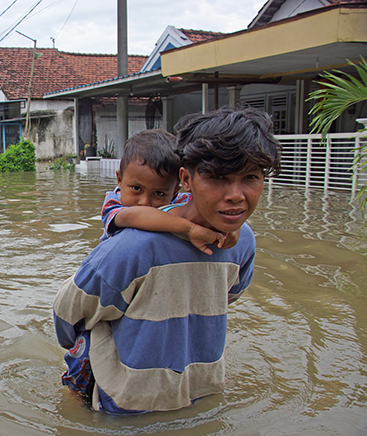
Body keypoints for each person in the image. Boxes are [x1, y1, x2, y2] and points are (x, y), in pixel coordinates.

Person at [53, 107, 281, 414]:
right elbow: (67, 314)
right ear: (186, 179)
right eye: (217, 178)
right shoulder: (132, 247)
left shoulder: (243, 241)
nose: (236, 196)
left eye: (250, 178)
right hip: (128, 410)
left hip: (197, 395)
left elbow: (67, 322)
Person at [99, 129, 229, 255]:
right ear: (120, 180)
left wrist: (230, 229)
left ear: (174, 192)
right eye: (136, 188)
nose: (145, 202)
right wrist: (190, 229)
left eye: (159, 193)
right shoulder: (113, 203)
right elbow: (134, 216)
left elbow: (209, 207)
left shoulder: (180, 201)